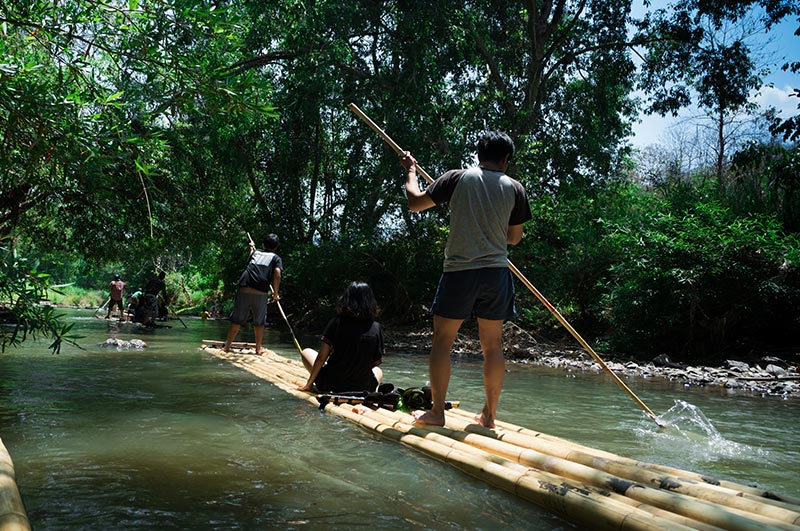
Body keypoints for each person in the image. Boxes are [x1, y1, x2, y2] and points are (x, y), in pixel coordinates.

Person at [400, 130, 532, 428]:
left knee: (442, 343)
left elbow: (415, 202)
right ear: (506, 158)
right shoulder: (515, 188)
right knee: (493, 346)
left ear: (478, 154)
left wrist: (410, 171)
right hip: (496, 273)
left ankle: (437, 413)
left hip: (460, 271)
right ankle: (489, 416)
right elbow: (513, 238)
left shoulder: (457, 177)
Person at [298, 282, 384, 393]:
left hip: (331, 384)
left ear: (347, 299)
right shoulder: (377, 328)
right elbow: (374, 362)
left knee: (306, 352)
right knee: (378, 371)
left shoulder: (337, 322)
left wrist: (309, 384)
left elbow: (321, 359)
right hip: (362, 388)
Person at [222, 233, 283, 355]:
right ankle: (258, 349)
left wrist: (251, 249)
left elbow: (251, 262)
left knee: (237, 319)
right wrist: (275, 294)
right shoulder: (276, 258)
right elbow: (277, 275)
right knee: (259, 321)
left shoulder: (256, 253)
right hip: (260, 291)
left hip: (244, 286)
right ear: (276, 247)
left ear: (264, 244)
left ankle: (227, 346)